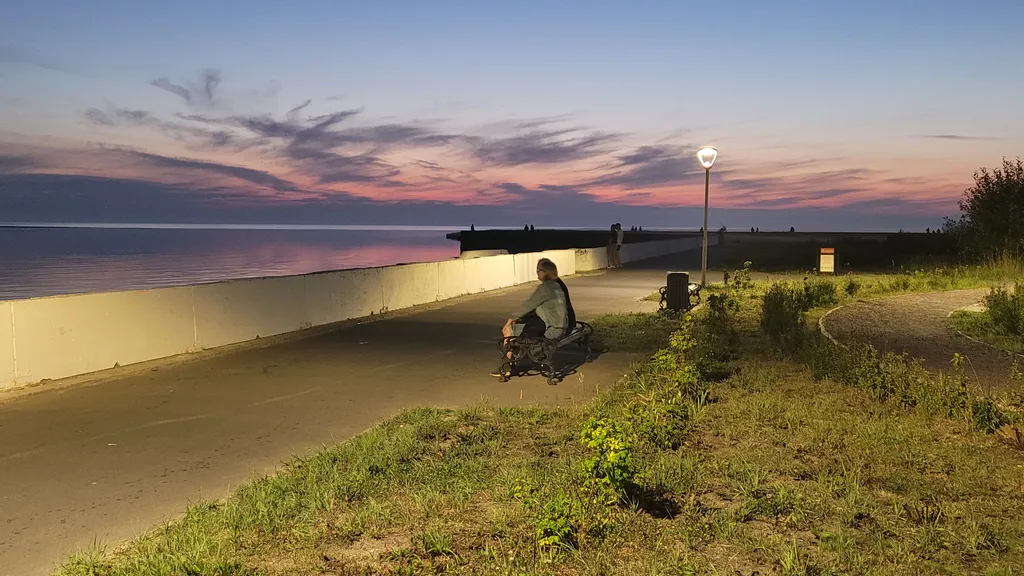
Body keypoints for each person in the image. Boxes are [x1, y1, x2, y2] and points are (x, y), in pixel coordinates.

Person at [494, 259, 568, 373]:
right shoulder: (556, 286)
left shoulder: (545, 288)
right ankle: (512, 361)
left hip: (553, 330)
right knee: (523, 327)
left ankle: (506, 366)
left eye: (539, 270)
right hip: (562, 327)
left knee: (509, 329)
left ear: (545, 272)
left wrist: (509, 321)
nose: (537, 273)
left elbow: (527, 306)